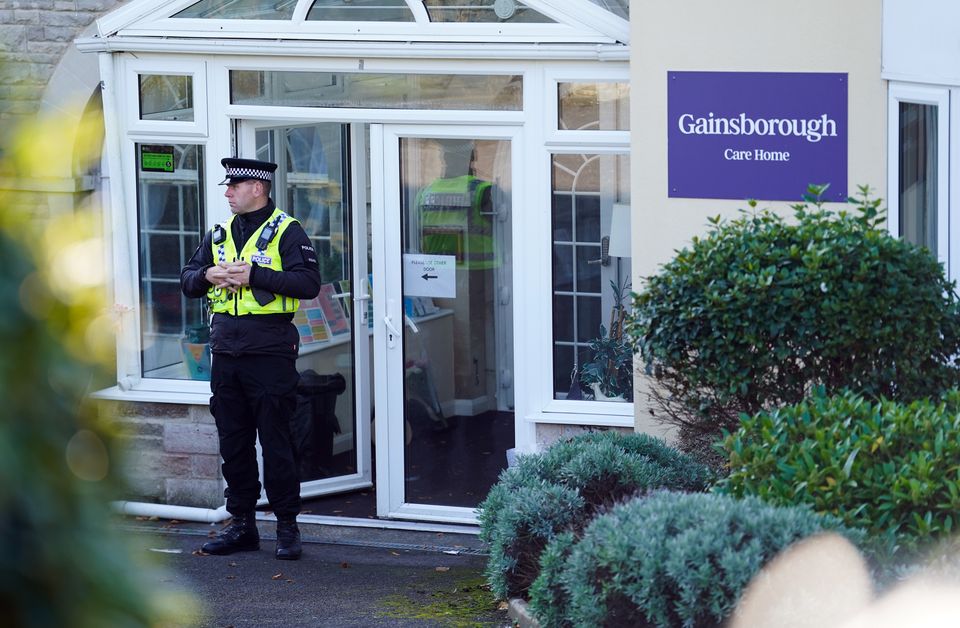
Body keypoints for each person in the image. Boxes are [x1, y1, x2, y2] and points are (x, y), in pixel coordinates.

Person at [180, 157, 322, 560]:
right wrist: (207, 274)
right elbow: (187, 278)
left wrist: (254, 276)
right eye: (227, 187)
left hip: (269, 350)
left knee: (277, 440)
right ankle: (241, 523)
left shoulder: (287, 230)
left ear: (257, 188)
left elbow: (308, 283)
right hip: (225, 350)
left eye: (234, 187)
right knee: (234, 442)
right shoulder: (219, 231)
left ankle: (287, 527)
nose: (227, 193)